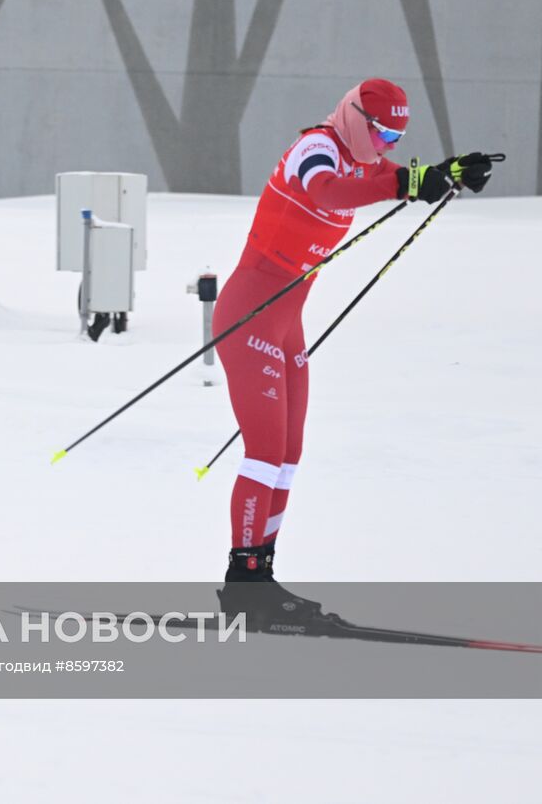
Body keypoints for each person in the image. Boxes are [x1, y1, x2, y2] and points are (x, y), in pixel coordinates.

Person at [212, 78, 494, 619]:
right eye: (382, 132)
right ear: (355, 117)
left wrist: (448, 173)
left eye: (397, 136)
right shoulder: (317, 147)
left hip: (286, 322)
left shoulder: (366, 160)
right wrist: (406, 183)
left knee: (289, 458)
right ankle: (241, 583)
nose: (387, 144)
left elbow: (400, 177)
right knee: (264, 455)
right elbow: (327, 193)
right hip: (249, 316)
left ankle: (261, 577)